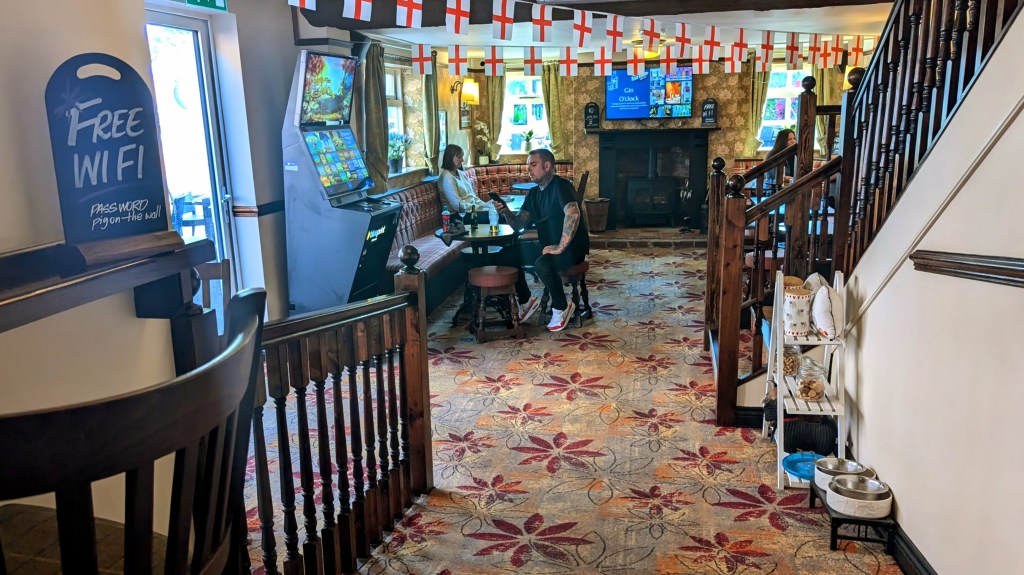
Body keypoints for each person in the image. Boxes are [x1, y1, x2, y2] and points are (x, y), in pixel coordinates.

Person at [496, 149, 589, 332]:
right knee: (507, 255)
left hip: (572, 248)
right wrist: (506, 212)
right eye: (528, 165)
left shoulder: (562, 186)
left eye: (533, 164)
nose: (528, 169)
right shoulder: (533, 194)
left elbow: (573, 214)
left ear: (547, 166)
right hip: (548, 247)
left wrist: (560, 246)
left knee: (543, 264)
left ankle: (562, 306)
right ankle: (526, 301)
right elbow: (519, 225)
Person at [438, 144, 488, 215]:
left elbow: (472, 196)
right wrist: (482, 209)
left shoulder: (460, 173)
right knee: (498, 216)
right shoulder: (447, 178)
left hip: (473, 211)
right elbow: (458, 205)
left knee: (498, 212)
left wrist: (486, 206)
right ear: (450, 157)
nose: (462, 160)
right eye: (459, 157)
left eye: (462, 157)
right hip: (459, 215)